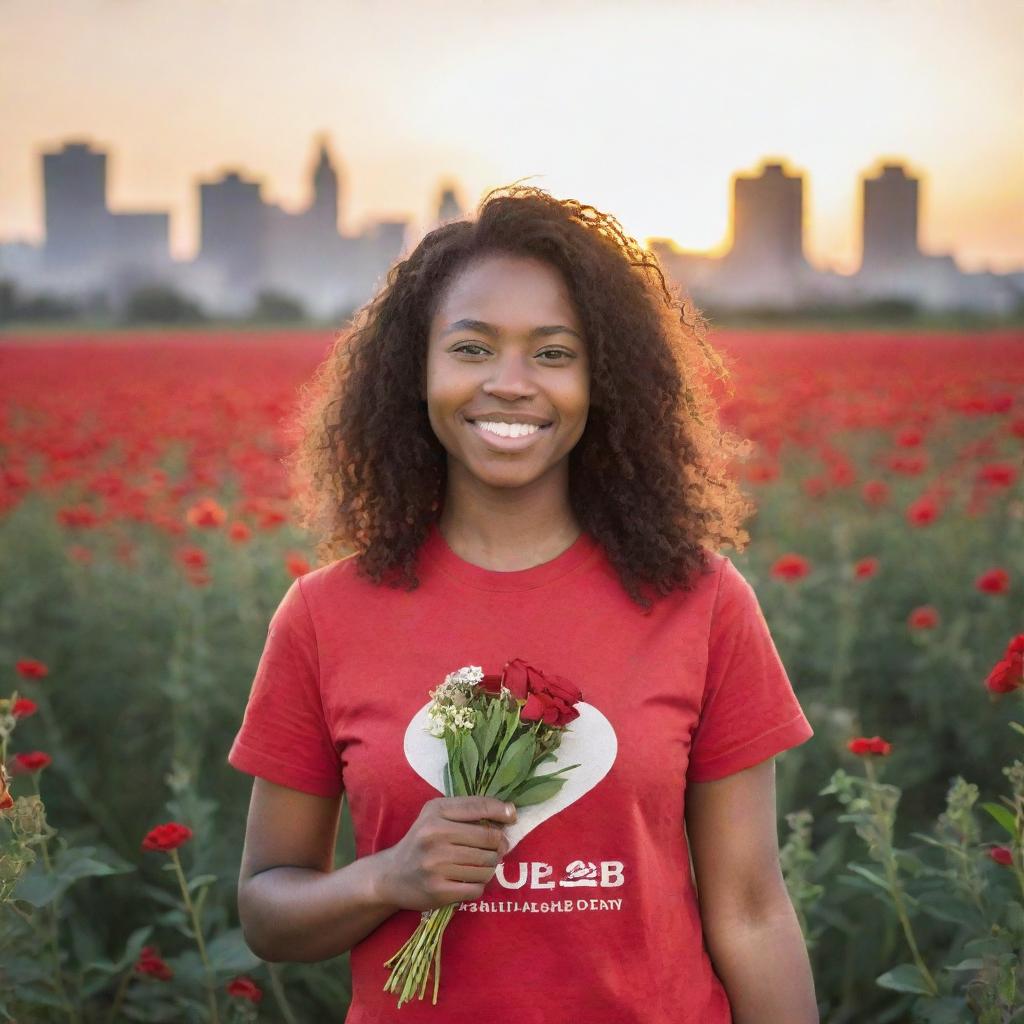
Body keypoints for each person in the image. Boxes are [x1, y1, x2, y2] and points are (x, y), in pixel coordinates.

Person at [227, 184, 819, 1023]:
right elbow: (265, 911)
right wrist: (387, 877)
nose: (510, 385)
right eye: (471, 349)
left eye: (552, 353)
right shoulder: (325, 614)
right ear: (416, 372)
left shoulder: (703, 601)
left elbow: (754, 909)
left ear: (604, 380)